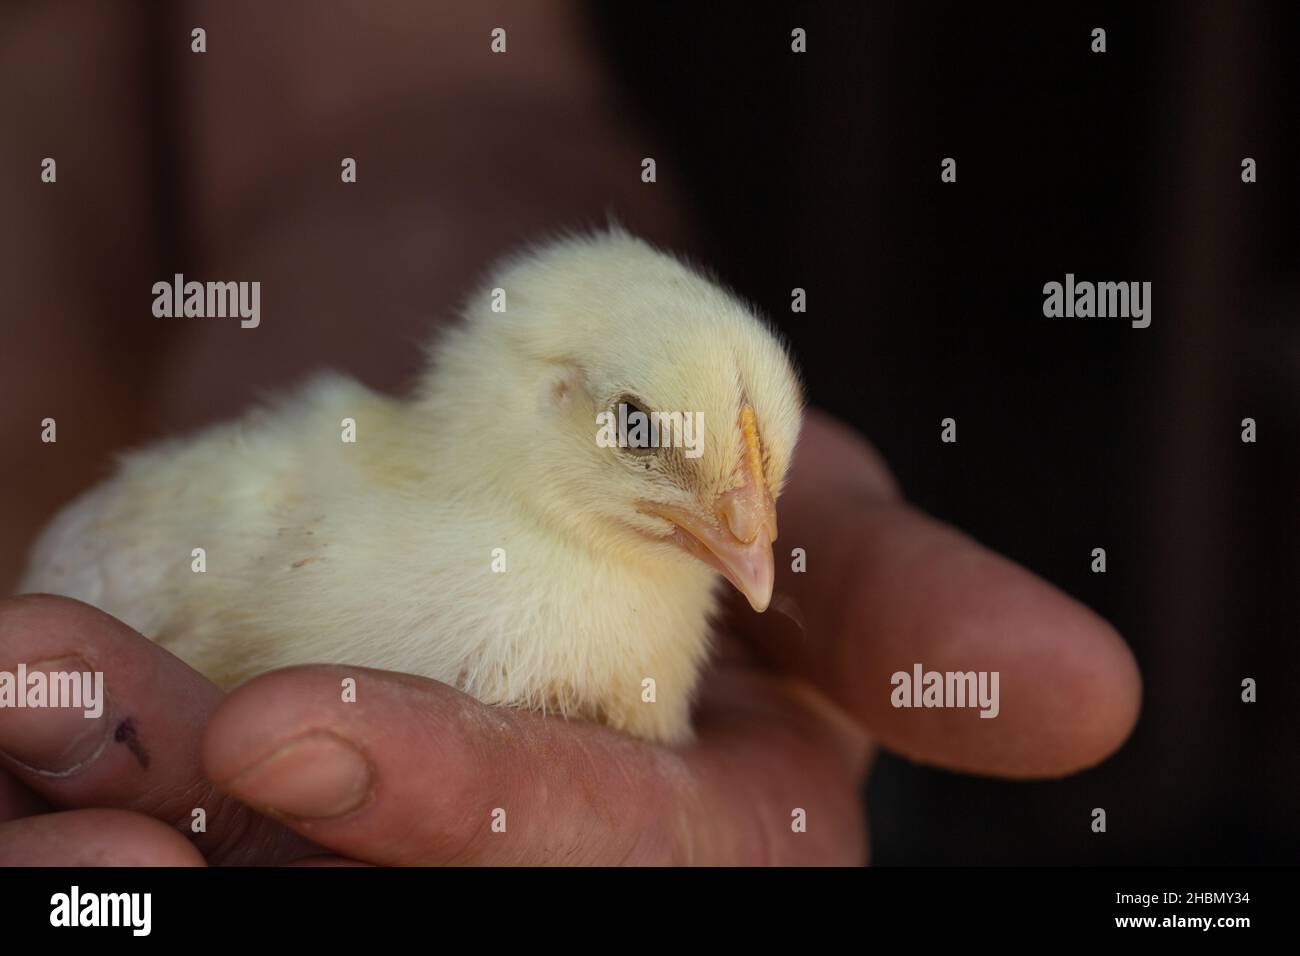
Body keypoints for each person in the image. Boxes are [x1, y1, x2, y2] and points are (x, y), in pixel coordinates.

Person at [0, 0, 1139, 865]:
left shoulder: (644, 586)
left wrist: (402, 154)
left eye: (757, 490)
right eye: (644, 430)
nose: (750, 546)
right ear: (541, 393)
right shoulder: (243, 512)